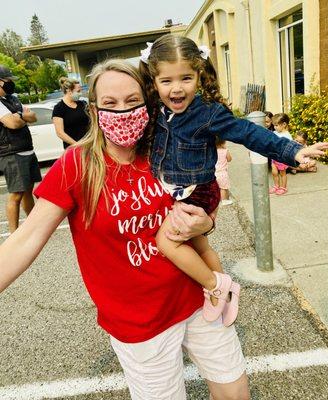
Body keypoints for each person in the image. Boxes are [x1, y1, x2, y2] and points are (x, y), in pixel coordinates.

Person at [0, 59, 253, 400]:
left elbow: (203, 204)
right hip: (140, 325)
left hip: (200, 297)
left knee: (235, 391)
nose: (123, 111)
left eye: (133, 101)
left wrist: (206, 221)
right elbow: (26, 239)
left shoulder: (168, 151)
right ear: (95, 110)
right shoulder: (77, 165)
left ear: (148, 103)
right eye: (110, 104)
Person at [138, 34, 328, 327]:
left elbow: (250, 134)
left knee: (167, 241)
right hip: (176, 191)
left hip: (198, 191)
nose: (177, 88)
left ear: (199, 76)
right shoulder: (154, 110)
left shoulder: (208, 113)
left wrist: (293, 150)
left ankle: (215, 287)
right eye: (167, 81)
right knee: (199, 246)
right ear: (154, 81)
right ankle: (227, 291)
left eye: (186, 78)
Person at [0, 65, 42, 233]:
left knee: (27, 192)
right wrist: (22, 116)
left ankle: (32, 227)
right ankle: (14, 234)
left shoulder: (12, 99)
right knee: (16, 194)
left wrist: (19, 116)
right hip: (12, 153)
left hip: (27, 149)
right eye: (8, 80)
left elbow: (34, 116)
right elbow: (12, 123)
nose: (11, 83)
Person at [52, 77, 90, 149]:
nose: (80, 94)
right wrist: (78, 145)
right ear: (69, 91)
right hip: (73, 148)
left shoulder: (82, 104)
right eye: (78, 91)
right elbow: (60, 133)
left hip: (89, 145)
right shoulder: (59, 108)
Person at [268, 113, 293, 195]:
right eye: (274, 125)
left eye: (276, 125)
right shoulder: (275, 132)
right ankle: (276, 186)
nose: (274, 127)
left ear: (284, 124)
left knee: (282, 173)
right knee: (274, 172)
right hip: (274, 156)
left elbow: (289, 147)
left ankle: (283, 187)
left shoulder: (287, 135)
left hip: (282, 158)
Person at [216, 139, 233, 206]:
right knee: (223, 188)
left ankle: (217, 199)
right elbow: (229, 159)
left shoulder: (213, 151)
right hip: (222, 173)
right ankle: (224, 200)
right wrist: (226, 150)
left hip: (214, 172)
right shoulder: (225, 151)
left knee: (217, 187)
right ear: (222, 144)